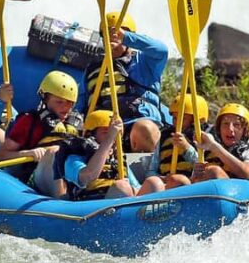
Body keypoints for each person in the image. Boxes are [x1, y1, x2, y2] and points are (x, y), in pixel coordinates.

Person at [84, 12, 170, 153]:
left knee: (144, 128)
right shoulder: (92, 70)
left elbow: (162, 50)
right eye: (108, 34)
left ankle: (141, 169)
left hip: (136, 126)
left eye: (117, 33)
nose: (113, 37)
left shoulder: (144, 61)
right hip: (105, 129)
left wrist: (126, 37)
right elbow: (82, 103)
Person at [0, 70, 84, 197]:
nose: (66, 108)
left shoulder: (77, 124)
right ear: (45, 98)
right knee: (54, 151)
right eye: (59, 102)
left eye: (70, 103)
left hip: (69, 178)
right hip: (35, 177)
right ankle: (63, 203)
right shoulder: (29, 121)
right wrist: (29, 153)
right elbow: (0, 156)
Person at [55, 110, 165, 201]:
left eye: (116, 134)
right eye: (106, 132)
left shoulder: (118, 161)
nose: (114, 138)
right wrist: (108, 140)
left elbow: (136, 188)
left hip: (122, 204)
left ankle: (153, 225)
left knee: (154, 183)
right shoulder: (75, 157)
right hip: (91, 210)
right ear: (90, 135)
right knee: (122, 187)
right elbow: (87, 177)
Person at [192, 103, 249, 185]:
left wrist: (215, 147)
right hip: (212, 194)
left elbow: (247, 173)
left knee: (214, 172)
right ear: (219, 129)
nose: (230, 129)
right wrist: (196, 176)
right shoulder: (207, 153)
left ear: (244, 130)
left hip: (243, 195)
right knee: (181, 180)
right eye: (225, 124)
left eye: (236, 125)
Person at [147, 93, 212, 189]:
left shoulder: (204, 137)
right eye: (175, 118)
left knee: (178, 180)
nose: (177, 122)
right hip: (167, 185)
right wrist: (160, 178)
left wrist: (186, 148)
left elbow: (203, 166)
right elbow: (151, 169)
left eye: (183, 119)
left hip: (190, 185)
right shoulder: (165, 136)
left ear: (195, 121)